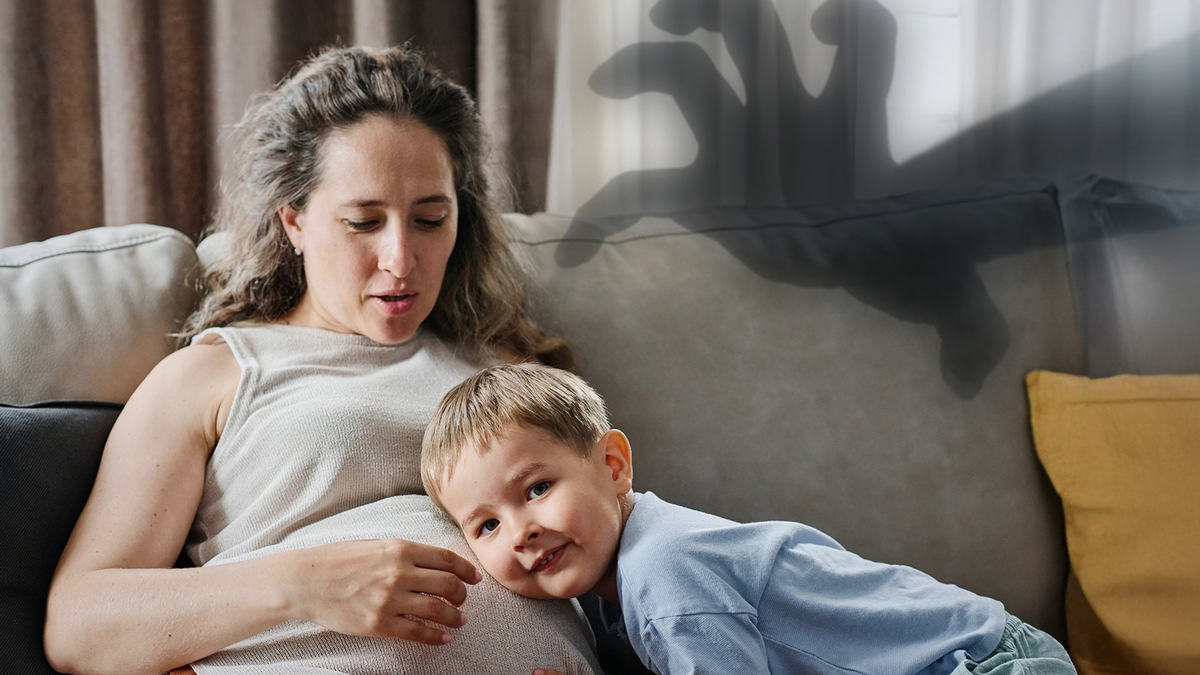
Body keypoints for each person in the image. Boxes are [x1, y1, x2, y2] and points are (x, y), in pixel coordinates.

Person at [44, 45, 600, 675]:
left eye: (429, 219)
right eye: (363, 222)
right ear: (296, 222)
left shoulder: (501, 365)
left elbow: (618, 529)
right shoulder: (215, 375)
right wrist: (301, 584)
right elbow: (77, 626)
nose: (400, 258)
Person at [421, 363, 1079, 675]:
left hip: (975, 664)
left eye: (536, 487)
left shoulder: (663, 569)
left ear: (614, 465)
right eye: (486, 526)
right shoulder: (608, 593)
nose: (521, 530)